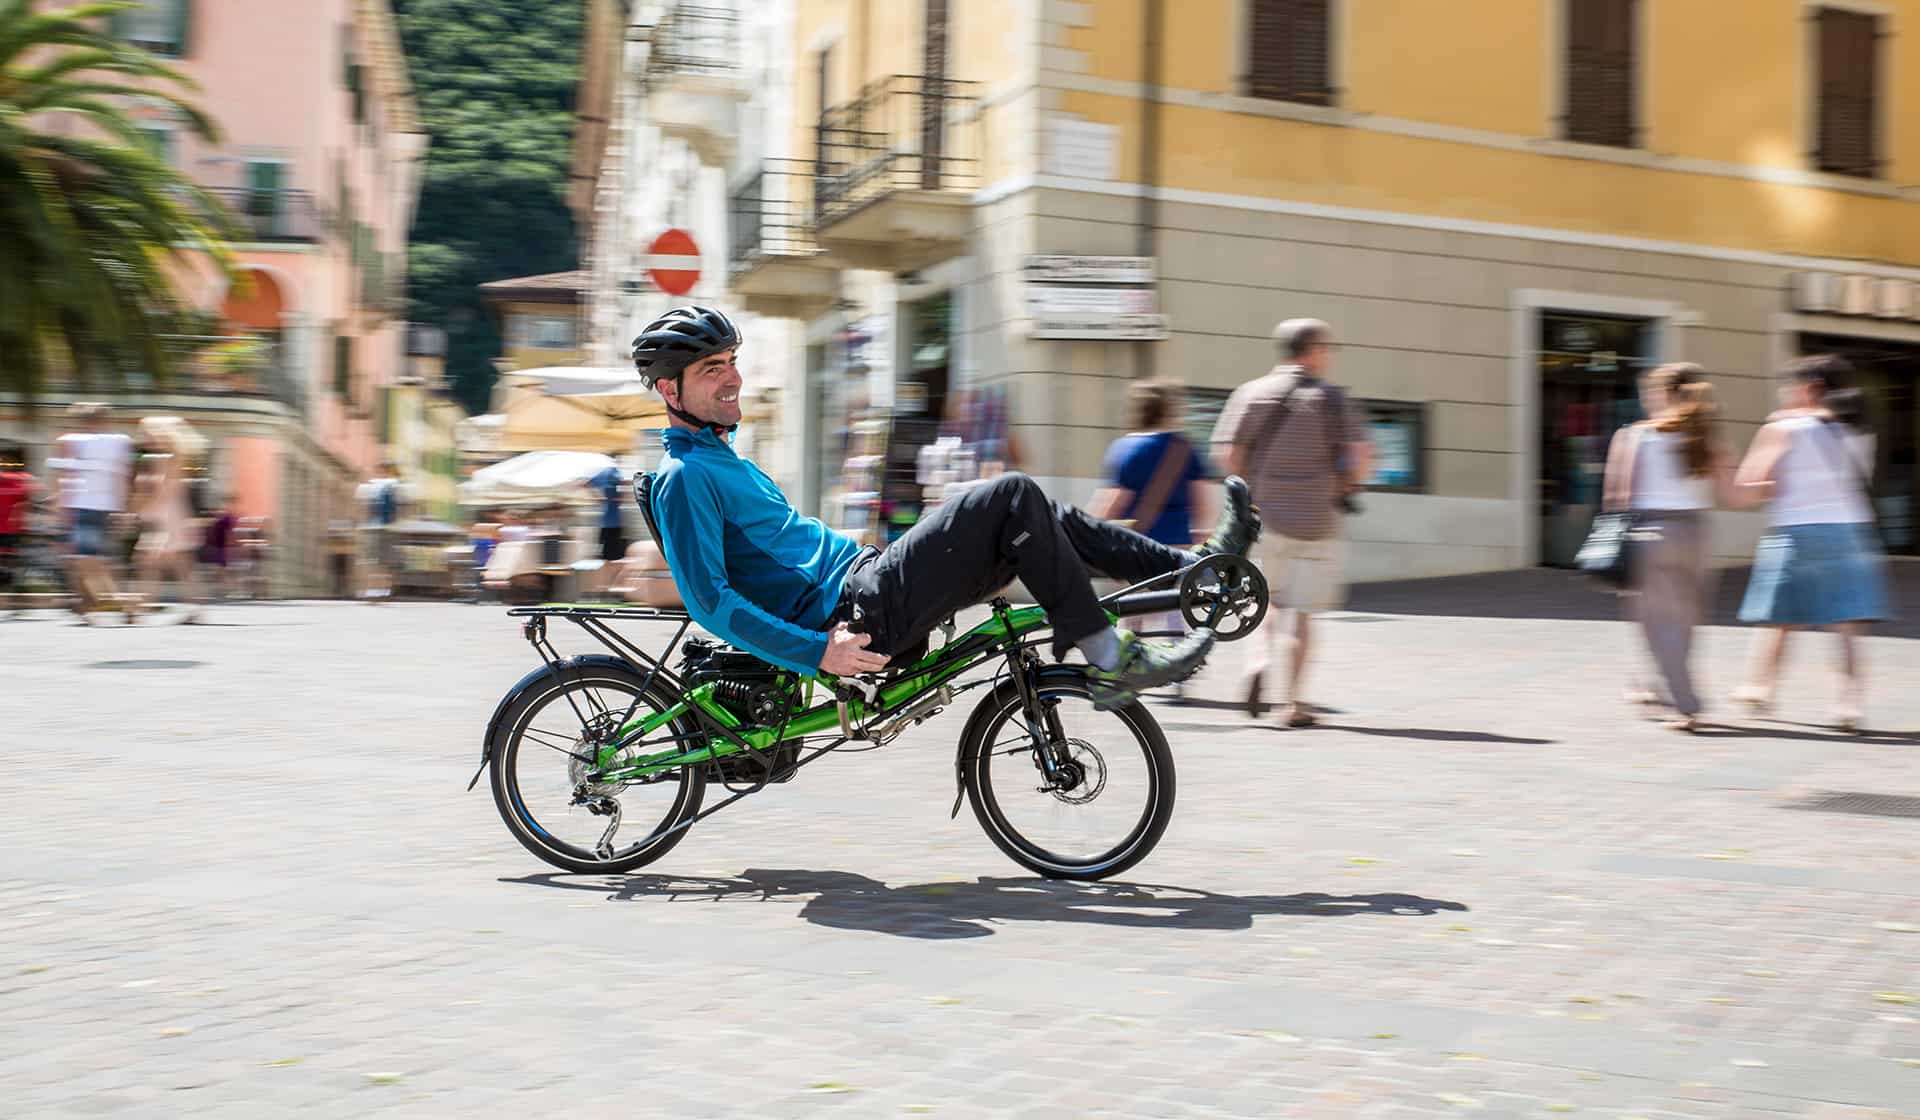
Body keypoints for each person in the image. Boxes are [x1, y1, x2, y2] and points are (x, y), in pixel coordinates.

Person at [635, 306, 1261, 708]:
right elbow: (710, 603)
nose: (733, 378)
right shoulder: (685, 477)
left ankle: (1198, 570)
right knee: (1010, 495)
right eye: (712, 368)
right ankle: (1112, 657)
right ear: (670, 389)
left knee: (1040, 514)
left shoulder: (720, 461)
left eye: (733, 363)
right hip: (854, 610)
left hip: (867, 580)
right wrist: (817, 653)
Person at [1212, 318, 1371, 729]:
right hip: (1318, 522)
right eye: (1329, 348)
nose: (1331, 356)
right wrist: (1348, 484)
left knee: (1268, 601)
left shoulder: (1251, 393)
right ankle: (1292, 703)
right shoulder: (1334, 399)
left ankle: (1258, 661)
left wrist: (1252, 488)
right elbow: (1360, 458)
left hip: (1266, 520)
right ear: (1314, 350)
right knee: (1301, 614)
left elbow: (1227, 456)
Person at [1730, 355, 1890, 732]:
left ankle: (1758, 687)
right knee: (1847, 622)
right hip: (1851, 532)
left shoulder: (1783, 428)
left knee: (1781, 618)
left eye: (1789, 385)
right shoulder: (1859, 431)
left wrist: (1776, 484)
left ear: (1809, 388)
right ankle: (1848, 705)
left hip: (1796, 531)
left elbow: (1748, 487)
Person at [1599, 364, 1742, 732]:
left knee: (1655, 622)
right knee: (1685, 621)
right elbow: (1732, 494)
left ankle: (1685, 704)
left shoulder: (1633, 436)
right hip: (1696, 532)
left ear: (1661, 394)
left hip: (1650, 531)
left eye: (1650, 392)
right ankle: (1657, 685)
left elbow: (1616, 497)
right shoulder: (1707, 438)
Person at [1089, 379, 1215, 699]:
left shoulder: (1124, 449)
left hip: (1135, 546)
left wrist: (1087, 531)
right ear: (1168, 409)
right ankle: (1177, 677)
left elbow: (1113, 502)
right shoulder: (1184, 449)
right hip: (1176, 547)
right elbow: (1201, 503)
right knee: (1173, 609)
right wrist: (1203, 539)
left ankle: (1120, 671)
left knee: (1131, 612)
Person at [47, 401, 139, 622]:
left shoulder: (69, 441)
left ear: (81, 421)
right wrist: (124, 509)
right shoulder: (121, 442)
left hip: (83, 506)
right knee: (89, 560)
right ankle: (86, 606)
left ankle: (121, 604)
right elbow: (124, 477)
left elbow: (65, 479)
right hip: (107, 507)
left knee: (88, 561)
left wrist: (60, 510)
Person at [131, 416, 209, 624]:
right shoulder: (163, 456)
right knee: (172, 565)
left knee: (151, 561)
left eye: (146, 432)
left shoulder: (172, 456)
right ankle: (194, 609)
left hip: (169, 516)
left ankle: (140, 609)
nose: (143, 437)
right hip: (167, 514)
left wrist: (145, 508)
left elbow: (168, 489)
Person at [355, 459, 412, 603]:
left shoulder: (395, 486)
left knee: (384, 561)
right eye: (380, 471)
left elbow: (402, 507)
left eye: (383, 471)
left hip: (388, 528)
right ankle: (372, 590)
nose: (381, 474)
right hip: (374, 527)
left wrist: (398, 524)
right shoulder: (374, 486)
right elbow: (364, 506)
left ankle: (382, 590)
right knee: (373, 560)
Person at [0, 443, 36, 600]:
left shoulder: (22, 479)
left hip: (14, 530)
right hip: (7, 529)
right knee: (8, 563)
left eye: (7, 459)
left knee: (12, 563)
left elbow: (29, 501)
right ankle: (15, 591)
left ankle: (17, 591)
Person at [588, 463, 627, 596]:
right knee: (614, 558)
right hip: (613, 524)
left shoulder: (603, 472)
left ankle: (606, 586)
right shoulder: (614, 472)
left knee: (606, 558)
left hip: (606, 523)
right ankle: (609, 586)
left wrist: (597, 498)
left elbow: (584, 483)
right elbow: (624, 485)